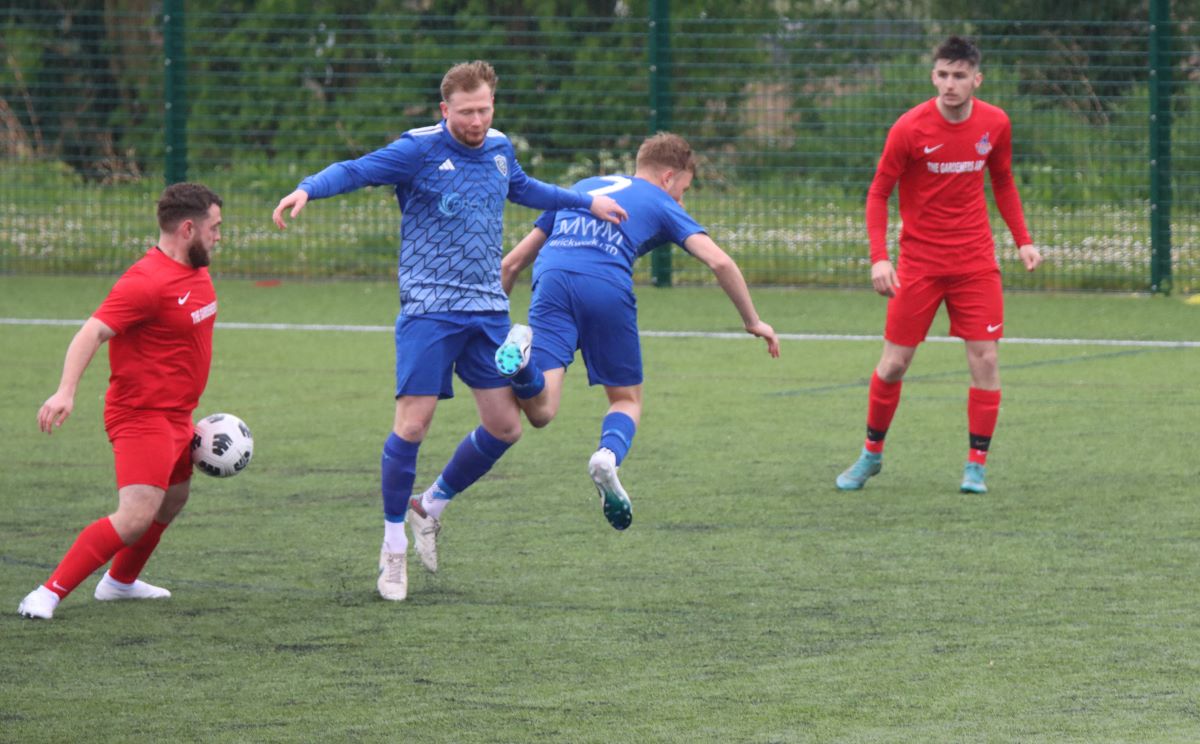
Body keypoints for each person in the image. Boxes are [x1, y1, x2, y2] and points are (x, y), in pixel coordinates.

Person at [271, 60, 627, 601]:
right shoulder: (418, 149)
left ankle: (430, 504)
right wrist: (307, 190)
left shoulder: (501, 147)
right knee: (413, 426)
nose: (477, 120)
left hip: (486, 310)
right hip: (430, 311)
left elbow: (524, 188)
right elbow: (357, 169)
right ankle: (393, 550)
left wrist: (586, 201)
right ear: (445, 110)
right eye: (466, 113)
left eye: (485, 109)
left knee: (509, 428)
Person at [486, 132, 779, 532]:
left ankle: (520, 364)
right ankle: (607, 456)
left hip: (551, 279)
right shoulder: (659, 199)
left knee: (542, 411)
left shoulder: (584, 188)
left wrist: (493, 326)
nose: (682, 200)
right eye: (684, 190)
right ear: (668, 177)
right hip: (604, 284)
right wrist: (752, 320)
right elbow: (720, 263)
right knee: (626, 399)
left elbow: (512, 263)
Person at [835, 36, 1042, 495]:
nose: (951, 84)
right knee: (893, 365)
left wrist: (1023, 241)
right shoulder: (909, 128)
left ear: (976, 79)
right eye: (943, 75)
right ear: (934, 76)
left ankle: (976, 467)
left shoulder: (996, 123)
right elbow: (878, 193)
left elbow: (1003, 182)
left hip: (975, 263)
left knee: (986, 359)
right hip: (920, 264)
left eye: (960, 76)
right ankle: (871, 455)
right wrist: (880, 257)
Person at [18, 183, 224, 620]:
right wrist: (65, 390)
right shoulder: (145, 282)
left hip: (178, 415)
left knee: (173, 499)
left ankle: (119, 583)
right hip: (141, 415)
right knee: (134, 516)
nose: (219, 236)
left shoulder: (197, 270)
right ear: (188, 228)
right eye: (215, 227)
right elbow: (91, 331)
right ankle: (46, 592)